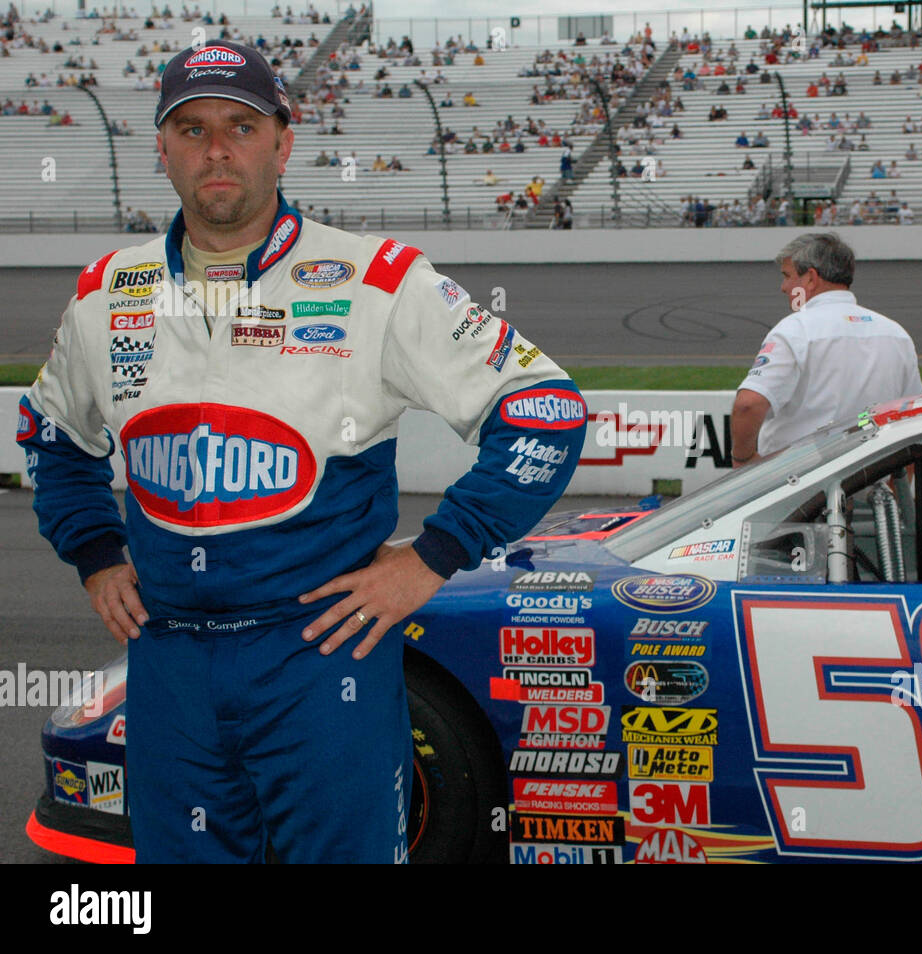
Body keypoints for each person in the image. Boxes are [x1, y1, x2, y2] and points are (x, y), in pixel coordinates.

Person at [15, 40, 587, 864]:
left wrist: (434, 555)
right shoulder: (108, 292)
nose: (217, 149)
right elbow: (51, 436)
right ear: (162, 149)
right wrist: (96, 552)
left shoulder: (376, 281)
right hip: (169, 660)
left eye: (241, 126)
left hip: (321, 655)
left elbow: (546, 408)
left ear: (282, 143)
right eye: (193, 128)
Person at [730, 233, 922, 464]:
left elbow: (748, 405)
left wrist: (742, 458)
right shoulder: (895, 334)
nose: (784, 287)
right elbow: (913, 418)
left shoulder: (796, 329)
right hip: (870, 479)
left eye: (787, 276)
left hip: (800, 483)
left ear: (810, 278)